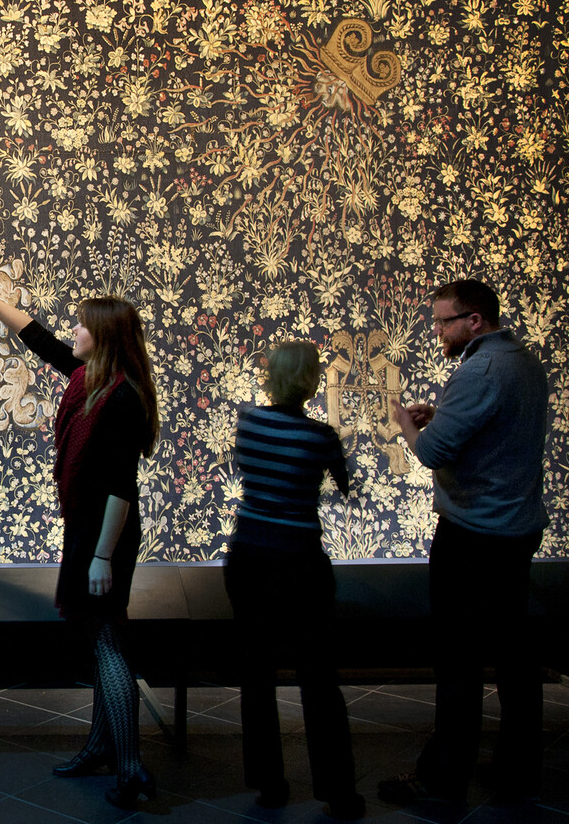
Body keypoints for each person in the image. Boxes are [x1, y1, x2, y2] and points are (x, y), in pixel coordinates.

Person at [0, 271, 159, 810]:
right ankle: (99, 746)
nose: (74, 331)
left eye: (82, 325)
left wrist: (100, 556)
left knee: (109, 643)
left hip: (104, 538)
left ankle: (131, 767)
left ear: (104, 335)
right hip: (90, 533)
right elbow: (36, 337)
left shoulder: (119, 397)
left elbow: (121, 489)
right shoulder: (92, 377)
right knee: (99, 638)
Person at [381, 279, 549, 805]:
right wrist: (446, 419)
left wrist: (408, 425)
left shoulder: (479, 370)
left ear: (474, 319)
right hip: (517, 527)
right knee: (515, 656)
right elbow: (493, 432)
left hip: (475, 532)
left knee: (459, 658)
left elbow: (431, 453)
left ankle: (442, 777)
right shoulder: (524, 361)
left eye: (442, 321)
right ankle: (517, 767)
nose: (437, 331)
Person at [224, 340, 365, 820]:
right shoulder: (322, 436)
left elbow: (249, 473)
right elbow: (346, 487)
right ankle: (338, 791)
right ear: (310, 381)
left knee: (256, 676)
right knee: (319, 678)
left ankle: (269, 784)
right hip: (301, 559)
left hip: (248, 556)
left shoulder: (248, 421)